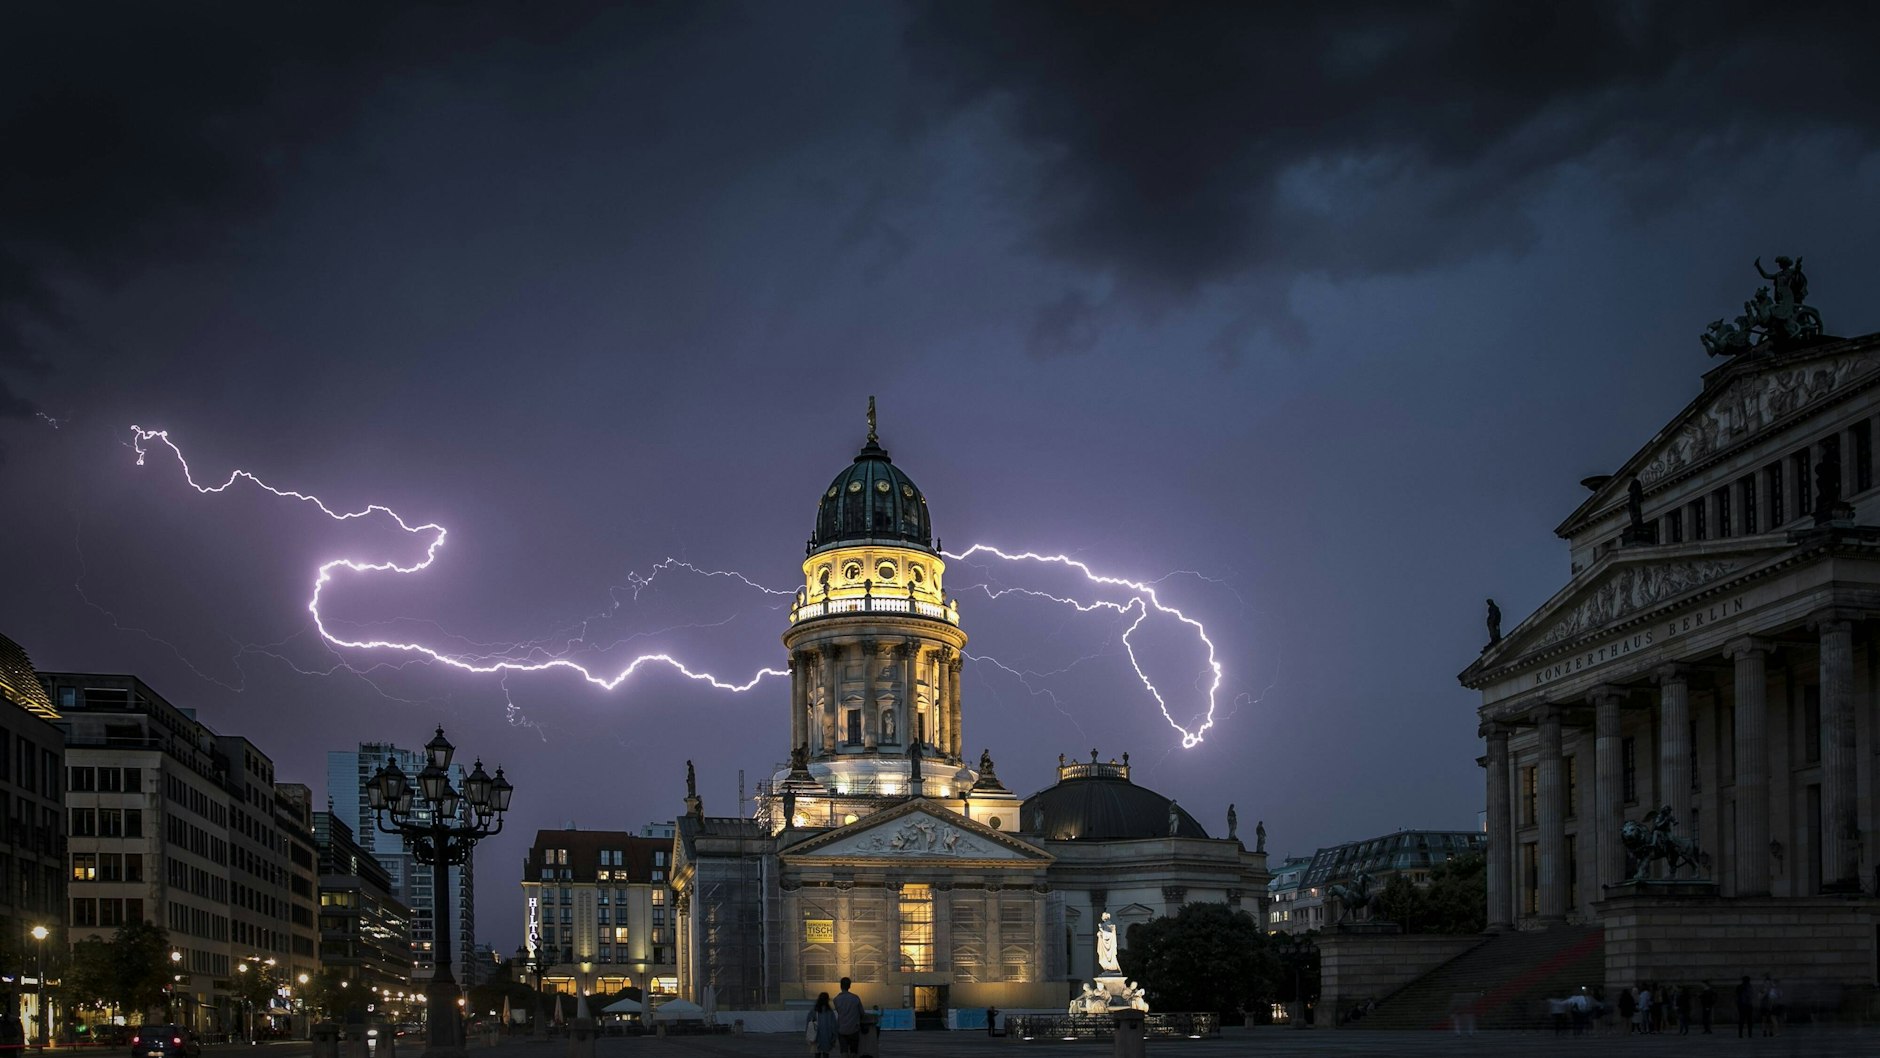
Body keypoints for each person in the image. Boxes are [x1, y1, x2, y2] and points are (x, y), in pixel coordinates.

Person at [832, 977, 863, 1056]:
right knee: (854, 1051)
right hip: (854, 1029)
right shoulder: (855, 998)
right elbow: (862, 1013)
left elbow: (839, 1012)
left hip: (841, 1029)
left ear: (840, 986)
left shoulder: (836, 999)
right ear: (849, 986)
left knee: (844, 1051)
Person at [806, 993, 836, 1058]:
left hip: (816, 1037)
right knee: (826, 1054)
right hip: (827, 1037)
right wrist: (834, 1038)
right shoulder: (830, 1012)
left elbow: (808, 1024)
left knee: (817, 1054)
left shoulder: (813, 1010)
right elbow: (834, 1026)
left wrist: (808, 1035)